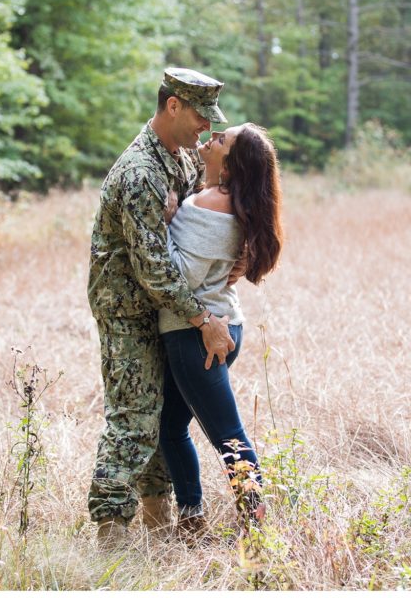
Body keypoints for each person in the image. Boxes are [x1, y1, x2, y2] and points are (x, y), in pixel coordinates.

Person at [86, 67, 238, 548]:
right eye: (200, 116)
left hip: (164, 309)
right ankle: (110, 538)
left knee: (162, 419)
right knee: (132, 417)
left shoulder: (182, 160)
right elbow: (153, 267)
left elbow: (200, 221)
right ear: (173, 105)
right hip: (128, 309)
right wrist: (204, 320)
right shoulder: (141, 172)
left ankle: (160, 526)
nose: (206, 129)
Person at [157, 122, 284, 540]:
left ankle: (257, 527)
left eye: (221, 140)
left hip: (197, 335)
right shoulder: (237, 204)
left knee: (228, 437)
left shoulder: (207, 205)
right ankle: (192, 518)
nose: (210, 139)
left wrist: (167, 221)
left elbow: (180, 274)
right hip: (224, 325)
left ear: (230, 163)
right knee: (171, 427)